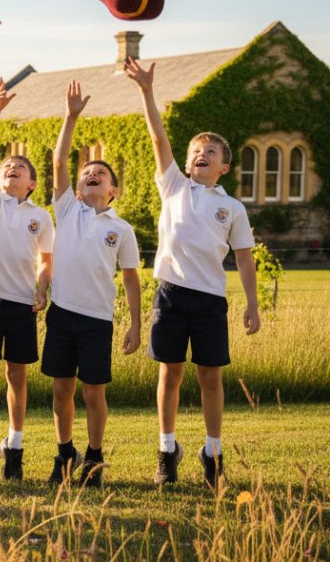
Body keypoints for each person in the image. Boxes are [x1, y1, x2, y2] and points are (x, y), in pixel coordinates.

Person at [125, 57, 259, 491]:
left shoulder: (232, 208)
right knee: (169, 373)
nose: (201, 155)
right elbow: (157, 137)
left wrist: (253, 306)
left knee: (210, 376)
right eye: (196, 152)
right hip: (169, 295)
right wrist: (147, 91)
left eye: (211, 153)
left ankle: (213, 453)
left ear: (224, 167)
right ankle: (167, 449)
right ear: (185, 164)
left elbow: (243, 259)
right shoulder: (174, 187)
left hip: (209, 302)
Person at [43, 80, 142, 489]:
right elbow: (60, 160)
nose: (91, 176)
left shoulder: (121, 229)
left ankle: (94, 458)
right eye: (87, 174)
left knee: (93, 394)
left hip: (97, 320)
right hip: (61, 314)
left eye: (99, 174)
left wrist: (136, 324)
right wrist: (71, 116)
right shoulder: (67, 210)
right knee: (62, 390)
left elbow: (133, 279)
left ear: (112, 190)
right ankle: (65, 453)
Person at [0, 78, 54, 484]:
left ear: (32, 183)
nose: (10, 168)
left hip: (22, 304)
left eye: (19, 168)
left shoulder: (41, 217)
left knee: (17, 376)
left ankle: (15, 446)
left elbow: (46, 260)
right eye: (7, 167)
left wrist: (42, 287)